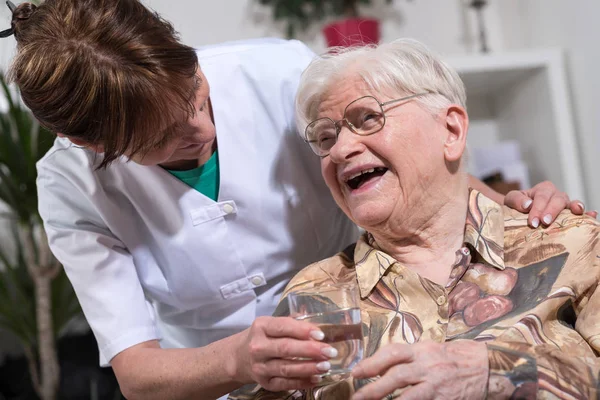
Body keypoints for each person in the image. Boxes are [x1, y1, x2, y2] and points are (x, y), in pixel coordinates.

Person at [2, 1, 593, 398]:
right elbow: (138, 371)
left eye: (198, 98)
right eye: (165, 138)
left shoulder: (276, 73)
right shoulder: (72, 189)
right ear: (89, 144)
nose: (201, 130)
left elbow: (409, 155)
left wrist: (509, 206)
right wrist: (235, 362)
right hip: (235, 366)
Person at [229, 38, 600, 400]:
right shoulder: (314, 297)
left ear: (451, 131)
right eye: (326, 138)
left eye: (368, 117)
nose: (341, 150)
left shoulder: (576, 243)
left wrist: (499, 374)